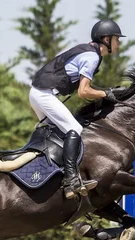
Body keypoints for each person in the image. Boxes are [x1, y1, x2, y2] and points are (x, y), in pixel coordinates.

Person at [30, 19, 125, 199]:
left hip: (38, 93)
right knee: (75, 129)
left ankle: (50, 174)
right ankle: (70, 179)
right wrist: (106, 94)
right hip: (44, 94)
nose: (118, 43)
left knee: (57, 133)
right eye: (116, 39)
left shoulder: (89, 51)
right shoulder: (92, 56)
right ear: (106, 39)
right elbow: (83, 91)